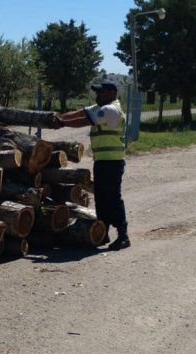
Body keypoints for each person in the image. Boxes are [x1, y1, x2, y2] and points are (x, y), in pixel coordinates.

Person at [52, 82, 130, 250]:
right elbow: (81, 112)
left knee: (112, 198)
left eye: (100, 93)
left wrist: (63, 124)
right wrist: (61, 117)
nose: (98, 96)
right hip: (102, 161)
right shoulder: (101, 106)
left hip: (112, 162)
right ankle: (104, 232)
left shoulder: (111, 110)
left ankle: (123, 235)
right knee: (101, 197)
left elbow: (84, 120)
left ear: (110, 93)